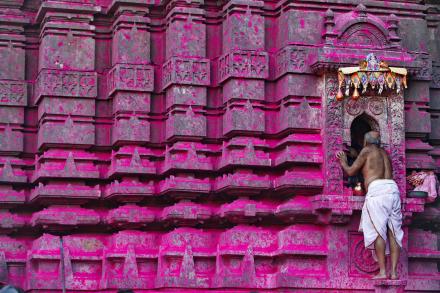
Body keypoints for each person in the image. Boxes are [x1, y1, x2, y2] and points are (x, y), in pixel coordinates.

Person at [336, 131, 403, 280]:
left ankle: (383, 272)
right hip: (393, 189)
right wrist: (356, 153)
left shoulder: (366, 151)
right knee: (394, 232)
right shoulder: (384, 153)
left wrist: (343, 161)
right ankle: (394, 272)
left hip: (377, 191)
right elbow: (372, 164)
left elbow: (351, 171)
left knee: (379, 230)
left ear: (366, 142)